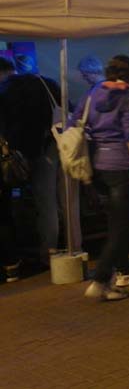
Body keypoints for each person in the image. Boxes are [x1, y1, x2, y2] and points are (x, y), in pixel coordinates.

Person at [69, 55, 129, 300]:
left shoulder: (93, 93)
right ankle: (101, 279)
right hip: (122, 165)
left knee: (114, 221)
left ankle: (122, 271)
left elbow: (74, 121)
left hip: (97, 166)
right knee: (121, 226)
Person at [0, 54, 63, 265]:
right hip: (60, 145)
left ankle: (49, 252)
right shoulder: (46, 83)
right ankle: (72, 245)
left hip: (36, 152)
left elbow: (13, 128)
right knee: (63, 201)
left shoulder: (8, 91)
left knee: (45, 202)